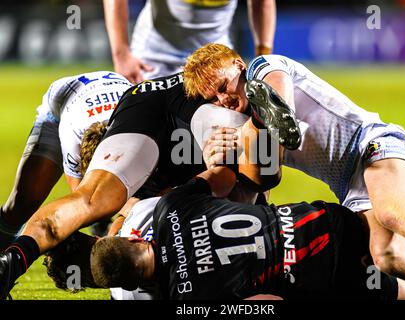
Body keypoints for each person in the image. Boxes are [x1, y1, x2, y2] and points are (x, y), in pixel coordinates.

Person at [0, 71, 299, 299]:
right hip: (76, 101)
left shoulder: (140, 161)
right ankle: (259, 123)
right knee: (21, 206)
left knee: (97, 202)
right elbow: (99, 220)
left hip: (145, 104)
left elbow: (86, 213)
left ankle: (10, 263)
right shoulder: (77, 144)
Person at [182, 43, 405, 288]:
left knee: (393, 214)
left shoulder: (262, 67)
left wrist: (255, 132)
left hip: (372, 146)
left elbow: (277, 96)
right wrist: (218, 161)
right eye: (213, 99)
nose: (222, 100)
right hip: (351, 188)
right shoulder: (245, 128)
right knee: (388, 258)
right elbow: (263, 184)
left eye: (222, 87)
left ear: (238, 65)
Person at [44, 166, 405, 300]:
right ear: (135, 240)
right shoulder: (167, 210)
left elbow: (265, 302)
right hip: (324, 223)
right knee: (394, 242)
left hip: (328, 280)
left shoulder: (183, 300)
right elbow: (221, 175)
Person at [0, 71, 132, 251]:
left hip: (115, 104)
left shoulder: (139, 132)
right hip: (62, 103)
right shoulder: (73, 137)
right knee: (22, 202)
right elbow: (80, 204)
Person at [103, 0, 276, 83]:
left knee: (226, 138)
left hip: (215, 60)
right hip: (154, 58)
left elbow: (263, 3)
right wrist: (121, 54)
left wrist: (263, 61)